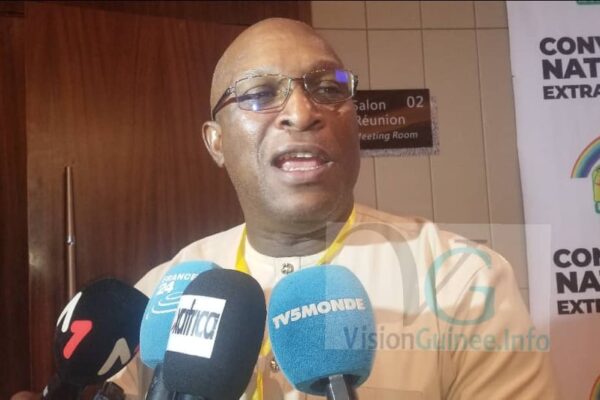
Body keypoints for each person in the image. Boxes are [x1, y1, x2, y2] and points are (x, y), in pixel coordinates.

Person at [14, 17, 559, 400]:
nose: (301, 111)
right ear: (215, 142)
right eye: (257, 93)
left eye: (328, 87)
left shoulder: (463, 281)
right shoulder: (165, 288)